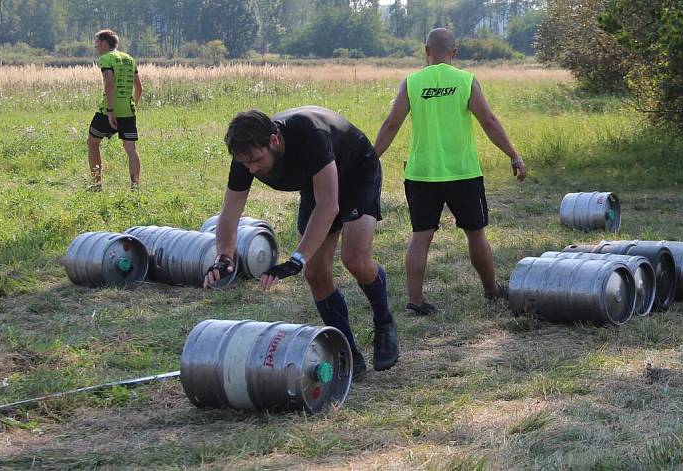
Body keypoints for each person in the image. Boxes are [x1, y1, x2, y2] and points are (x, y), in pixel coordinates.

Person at [203, 106, 399, 380]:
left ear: (274, 140)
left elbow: (329, 206)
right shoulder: (246, 154)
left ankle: (384, 321)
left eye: (257, 161)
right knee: (315, 273)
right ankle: (346, 351)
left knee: (354, 259)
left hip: (357, 174)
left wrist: (296, 258)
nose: (253, 169)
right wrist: (224, 257)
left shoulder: (310, 134)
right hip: (317, 183)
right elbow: (230, 213)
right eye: (247, 164)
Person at [373, 28, 527, 316]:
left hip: (421, 174)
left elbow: (391, 124)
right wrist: (514, 155)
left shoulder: (413, 82)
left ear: (426, 51)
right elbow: (489, 122)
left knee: (421, 235)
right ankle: (491, 289)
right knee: (475, 233)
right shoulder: (465, 81)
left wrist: (371, 159)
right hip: (462, 173)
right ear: (454, 52)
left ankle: (415, 301)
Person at [87, 29, 143, 190]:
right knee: (131, 149)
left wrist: (111, 110)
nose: (95, 47)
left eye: (97, 43)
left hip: (108, 111)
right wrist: (133, 106)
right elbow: (139, 87)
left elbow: (109, 84)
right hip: (128, 110)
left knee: (92, 143)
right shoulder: (129, 59)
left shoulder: (106, 59)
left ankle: (96, 185)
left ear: (105, 42)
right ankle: (135, 187)